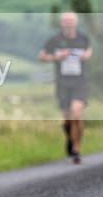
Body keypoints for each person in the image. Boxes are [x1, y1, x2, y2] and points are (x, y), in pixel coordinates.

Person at [38, 11, 92, 164]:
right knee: (67, 119)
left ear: (76, 22)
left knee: (77, 113)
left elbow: (89, 51)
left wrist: (86, 55)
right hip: (62, 83)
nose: (68, 23)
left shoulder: (83, 38)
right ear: (62, 23)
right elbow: (41, 57)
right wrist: (57, 56)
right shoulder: (55, 40)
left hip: (79, 81)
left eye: (71, 21)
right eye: (66, 21)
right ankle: (70, 138)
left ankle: (76, 149)